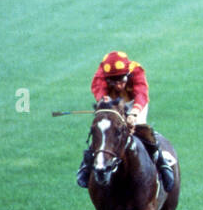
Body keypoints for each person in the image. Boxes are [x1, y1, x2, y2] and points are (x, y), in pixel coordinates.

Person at [76, 51, 177, 191]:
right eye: (113, 82)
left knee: (141, 129)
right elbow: (99, 90)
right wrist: (104, 102)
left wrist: (134, 114)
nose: (118, 86)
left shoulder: (136, 70)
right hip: (112, 103)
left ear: (127, 74)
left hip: (134, 102)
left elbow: (141, 94)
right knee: (105, 132)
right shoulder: (101, 74)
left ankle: (162, 164)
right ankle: (86, 165)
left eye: (122, 81)